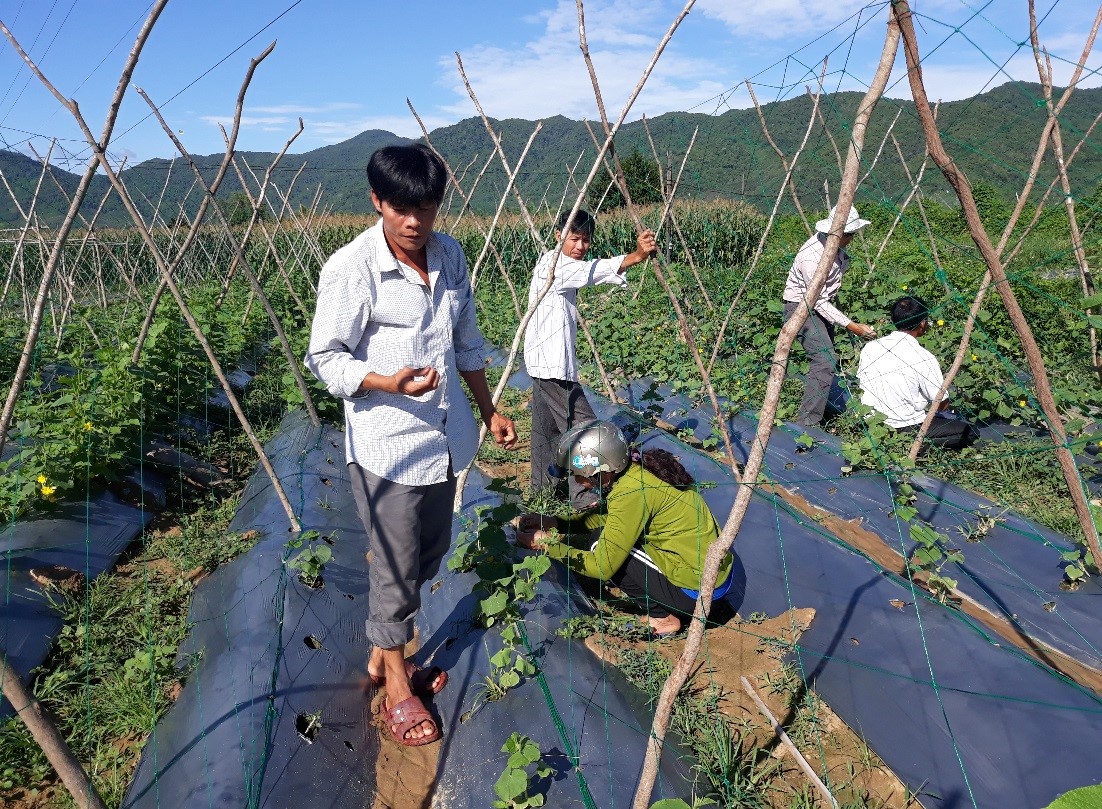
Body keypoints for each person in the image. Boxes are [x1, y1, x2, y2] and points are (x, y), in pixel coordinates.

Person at [305, 143, 517, 746]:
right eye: (402, 207)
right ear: (378, 201)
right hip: (387, 447)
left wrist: (490, 408)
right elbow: (326, 358)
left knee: (428, 555)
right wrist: (386, 382)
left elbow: (467, 341)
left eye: (426, 206)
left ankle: (383, 646)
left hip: (443, 441)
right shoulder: (350, 270)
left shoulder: (450, 256)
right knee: (397, 570)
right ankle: (397, 683)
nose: (415, 221)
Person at [515, 421, 733, 637]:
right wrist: (554, 522)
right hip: (709, 573)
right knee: (604, 536)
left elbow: (601, 568)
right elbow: (606, 518)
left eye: (578, 474)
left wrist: (547, 545)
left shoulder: (631, 493)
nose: (577, 481)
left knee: (600, 545)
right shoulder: (637, 472)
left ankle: (663, 618)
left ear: (602, 471)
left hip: (697, 591)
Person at [523, 209, 656, 503]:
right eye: (574, 238)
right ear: (559, 236)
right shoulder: (556, 264)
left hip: (543, 363)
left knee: (545, 431)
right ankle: (585, 499)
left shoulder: (559, 263)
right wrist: (634, 257)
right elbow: (590, 272)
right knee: (587, 433)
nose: (580, 246)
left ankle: (541, 492)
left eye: (586, 240)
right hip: (552, 366)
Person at [783, 204, 877, 426]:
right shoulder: (812, 257)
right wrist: (852, 326)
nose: (852, 238)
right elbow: (816, 299)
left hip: (819, 307)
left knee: (826, 360)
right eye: (850, 234)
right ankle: (807, 425)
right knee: (824, 361)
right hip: (801, 308)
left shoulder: (833, 248)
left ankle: (821, 408)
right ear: (838, 233)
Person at [857, 296, 978, 449]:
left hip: (871, 423)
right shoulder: (924, 357)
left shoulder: (870, 347)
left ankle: (890, 440)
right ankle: (907, 444)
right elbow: (941, 403)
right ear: (922, 324)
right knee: (970, 431)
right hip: (904, 426)